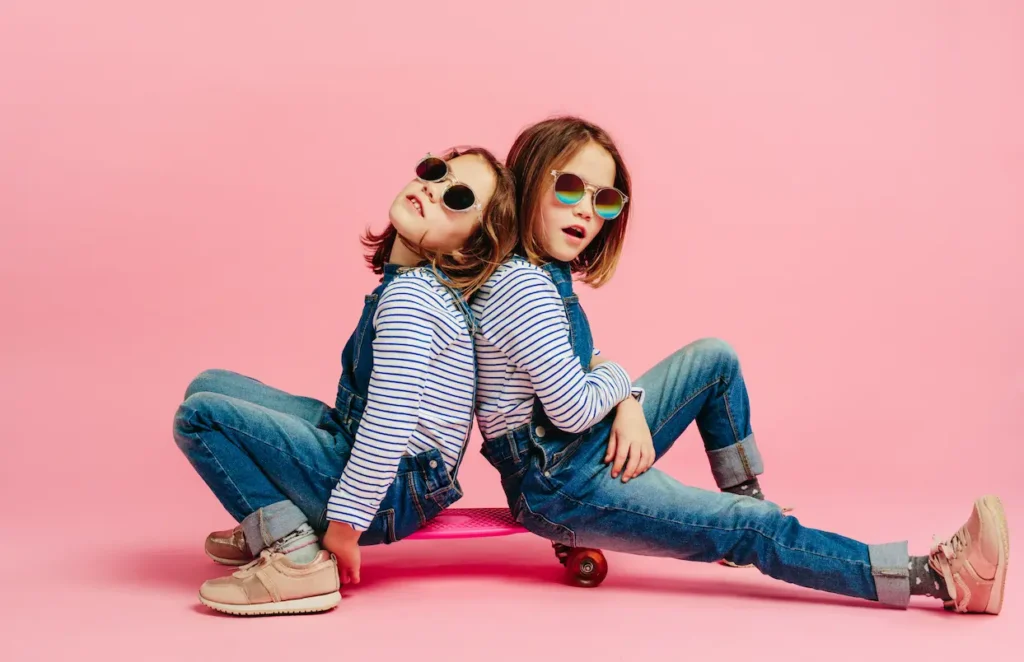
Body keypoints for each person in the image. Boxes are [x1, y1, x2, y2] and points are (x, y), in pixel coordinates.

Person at [471, 116, 1009, 614]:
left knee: (714, 360)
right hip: (561, 482)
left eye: (604, 198)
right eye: (569, 188)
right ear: (527, 179)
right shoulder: (522, 287)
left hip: (581, 448)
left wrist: (626, 400)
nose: (587, 210)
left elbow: (583, 365)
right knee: (753, 528)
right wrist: (622, 390)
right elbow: (571, 406)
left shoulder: (537, 274)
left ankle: (748, 505)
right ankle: (942, 580)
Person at [173, 146, 516, 615]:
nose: (433, 189)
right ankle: (285, 515)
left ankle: (294, 555)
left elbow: (389, 423)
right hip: (373, 455)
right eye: (436, 172)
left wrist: (347, 525)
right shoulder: (407, 284)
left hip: (392, 488)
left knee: (198, 418)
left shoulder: (412, 300)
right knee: (208, 384)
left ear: (466, 248)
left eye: (456, 197)